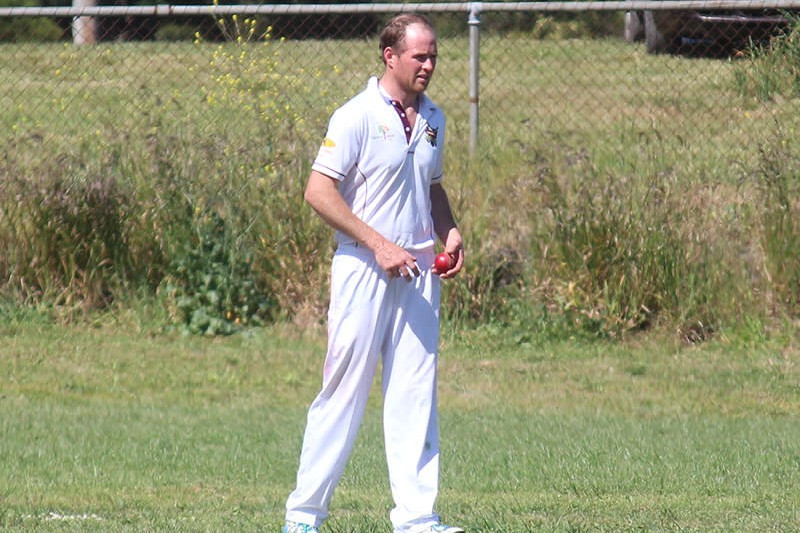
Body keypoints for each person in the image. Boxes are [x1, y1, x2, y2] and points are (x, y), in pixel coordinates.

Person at [282, 12, 465, 533]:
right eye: (419, 56)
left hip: (419, 270)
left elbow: (431, 187)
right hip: (364, 265)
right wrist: (379, 245)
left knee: (414, 394)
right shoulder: (356, 115)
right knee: (343, 390)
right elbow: (318, 192)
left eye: (434, 56)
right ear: (391, 56)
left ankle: (417, 519)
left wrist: (448, 230)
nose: (429, 65)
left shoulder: (434, 119)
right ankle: (304, 516)